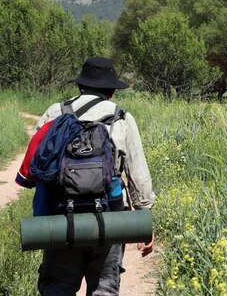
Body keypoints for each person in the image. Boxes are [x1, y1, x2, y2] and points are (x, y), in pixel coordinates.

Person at [17, 56, 155, 296]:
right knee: (103, 288)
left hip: (61, 219)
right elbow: (138, 175)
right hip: (110, 220)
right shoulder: (121, 117)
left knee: (58, 286)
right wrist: (144, 220)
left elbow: (35, 166)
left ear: (81, 85)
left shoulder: (55, 112)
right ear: (111, 89)